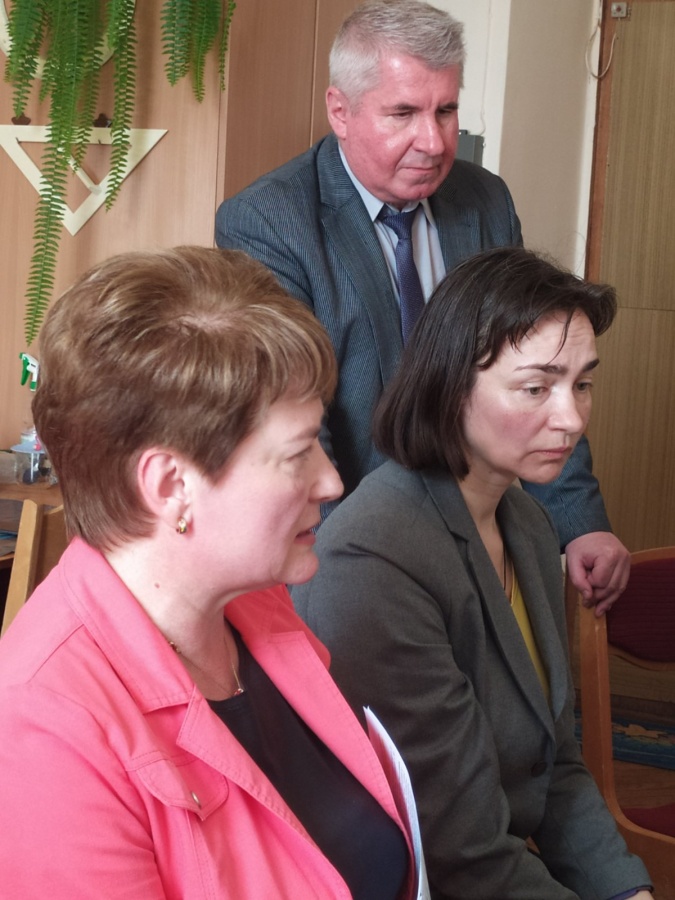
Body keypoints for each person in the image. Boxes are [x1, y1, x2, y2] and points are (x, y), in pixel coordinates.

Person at [0, 247, 416, 899]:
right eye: (298, 453)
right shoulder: (45, 725)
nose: (331, 482)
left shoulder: (256, 608)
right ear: (171, 486)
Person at [215, 0, 629, 613]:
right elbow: (290, 412)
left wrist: (579, 522)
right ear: (340, 111)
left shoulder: (485, 201)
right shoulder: (269, 222)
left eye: (446, 110)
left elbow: (542, 371)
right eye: (403, 113)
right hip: (348, 536)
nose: (433, 142)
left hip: (479, 527)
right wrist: (343, 568)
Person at [293, 247, 653, 900]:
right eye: (536, 388)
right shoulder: (375, 557)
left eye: (582, 384)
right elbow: (457, 852)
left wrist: (628, 893)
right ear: (451, 385)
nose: (571, 418)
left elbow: (556, 768)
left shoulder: (528, 524)